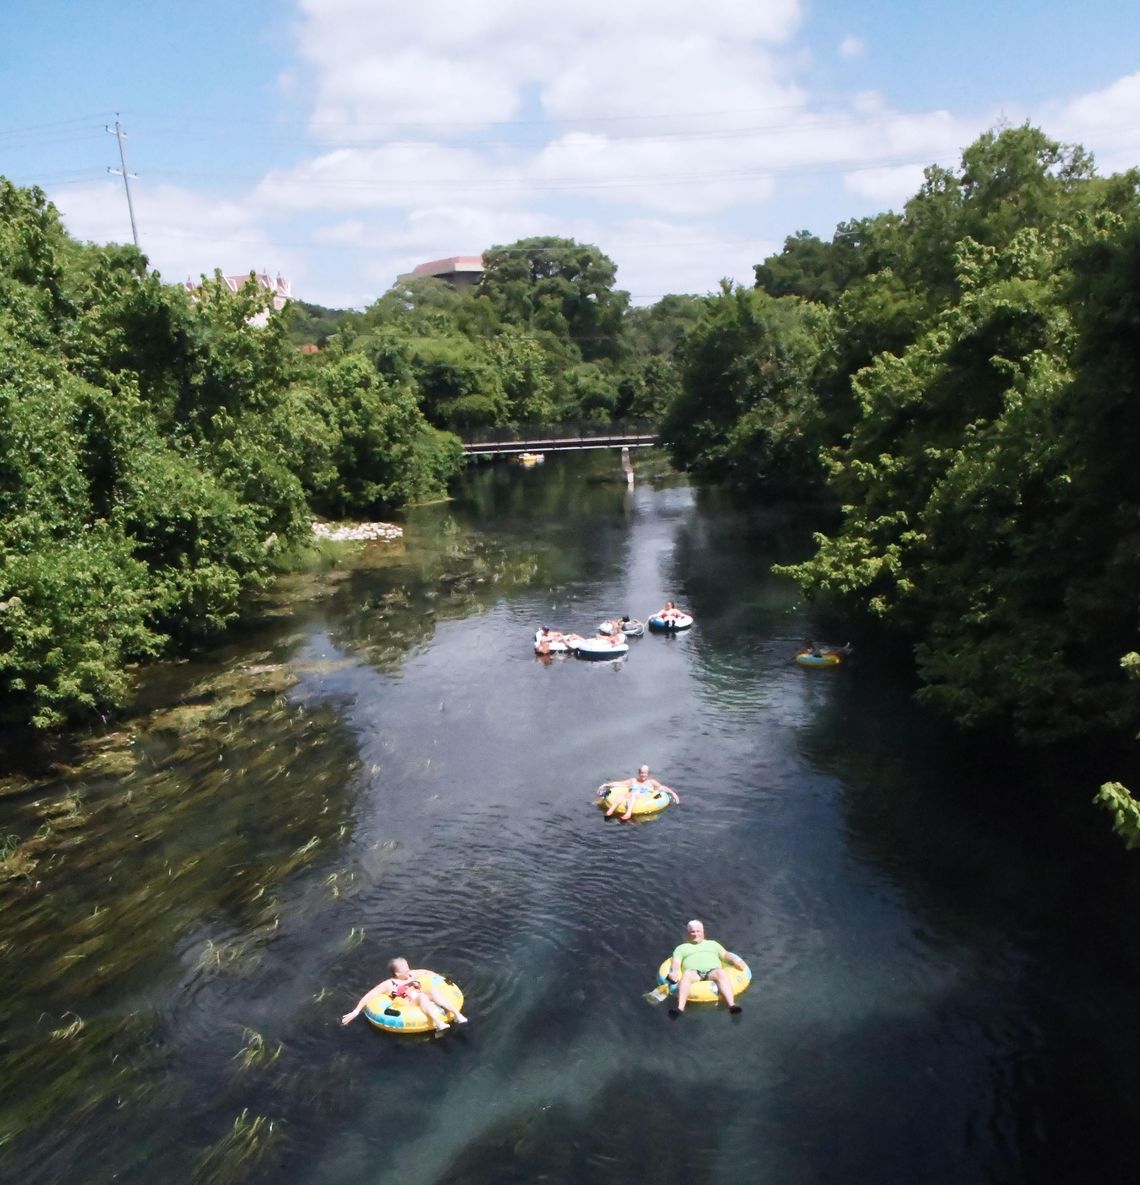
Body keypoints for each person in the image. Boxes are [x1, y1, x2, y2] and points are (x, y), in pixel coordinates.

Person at [341, 957, 467, 1030]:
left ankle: (457, 1015)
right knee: (422, 996)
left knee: (433, 991)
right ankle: (438, 1023)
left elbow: (426, 972)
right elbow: (370, 995)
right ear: (397, 973)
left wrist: (440, 978)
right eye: (404, 968)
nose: (408, 969)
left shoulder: (412, 974)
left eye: (407, 966)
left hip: (420, 997)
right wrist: (356, 1011)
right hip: (407, 1005)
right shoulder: (389, 984)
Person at [666, 919, 747, 1016]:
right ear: (688, 933)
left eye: (698, 931)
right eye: (692, 932)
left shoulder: (713, 944)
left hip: (712, 971)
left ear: (702, 932)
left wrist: (736, 960)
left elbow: (725, 955)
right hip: (694, 973)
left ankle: (731, 1005)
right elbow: (676, 962)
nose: (695, 934)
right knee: (687, 975)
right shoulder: (681, 948)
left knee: (721, 973)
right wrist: (674, 972)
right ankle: (679, 1008)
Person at [597, 764, 680, 821]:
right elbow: (620, 783)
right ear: (639, 773)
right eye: (642, 773)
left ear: (648, 774)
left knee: (633, 794)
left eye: (645, 773)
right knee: (622, 794)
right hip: (631, 796)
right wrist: (607, 784)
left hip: (643, 798)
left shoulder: (651, 782)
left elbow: (662, 787)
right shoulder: (633, 780)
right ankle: (610, 810)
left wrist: (673, 793)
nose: (643, 775)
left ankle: (628, 813)